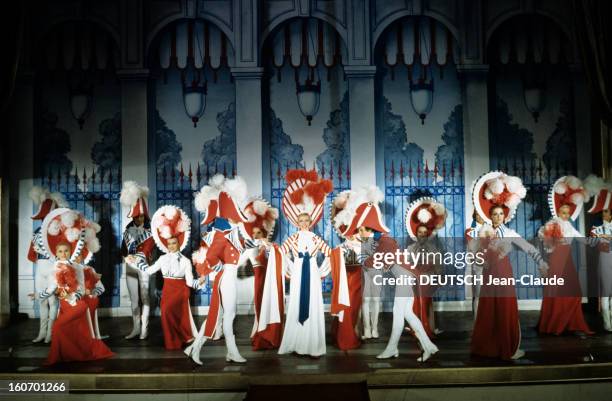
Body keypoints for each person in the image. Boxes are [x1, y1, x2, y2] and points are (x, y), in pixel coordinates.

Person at [470, 171, 548, 360]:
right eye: (494, 214)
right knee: (489, 311)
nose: (497, 217)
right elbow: (477, 256)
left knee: (505, 310)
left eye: (500, 214)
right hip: (489, 276)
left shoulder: (510, 232)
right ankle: (490, 346)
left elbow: (528, 247)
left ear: (505, 216)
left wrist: (541, 262)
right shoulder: (484, 232)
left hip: (504, 275)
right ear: (490, 216)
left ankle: (509, 348)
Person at [32, 207, 113, 365]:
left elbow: (82, 289)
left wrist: (75, 296)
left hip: (77, 305)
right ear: (56, 253)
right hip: (64, 305)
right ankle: (70, 356)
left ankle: (65, 356)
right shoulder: (54, 269)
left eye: (66, 251)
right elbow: (51, 289)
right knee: (70, 332)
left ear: (71, 252)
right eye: (60, 251)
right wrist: (38, 296)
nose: (63, 254)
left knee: (58, 329)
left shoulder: (79, 268)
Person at [186, 175, 252, 364]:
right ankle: (220, 351)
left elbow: (241, 244)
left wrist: (258, 241)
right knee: (225, 315)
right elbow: (210, 257)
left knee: (223, 315)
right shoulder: (220, 234)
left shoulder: (229, 232)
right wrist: (219, 269)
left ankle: (199, 348)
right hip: (225, 278)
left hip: (227, 278)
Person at [277, 169, 335, 357]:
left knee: (313, 304)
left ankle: (312, 343)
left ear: (310, 221)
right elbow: (280, 253)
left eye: (306, 220)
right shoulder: (292, 238)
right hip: (298, 274)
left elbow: (330, 254)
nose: (303, 223)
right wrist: (290, 267)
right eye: (300, 220)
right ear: (296, 222)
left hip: (312, 274)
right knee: (296, 303)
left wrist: (320, 269)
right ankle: (297, 340)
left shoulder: (316, 239)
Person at [127, 205, 200, 350]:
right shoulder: (162, 259)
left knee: (176, 315)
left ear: (179, 243)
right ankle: (172, 343)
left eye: (174, 243)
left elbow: (191, 282)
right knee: (166, 313)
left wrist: (201, 282)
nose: (171, 246)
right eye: (169, 244)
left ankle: (182, 337)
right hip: (168, 291)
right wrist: (134, 262)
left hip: (181, 291)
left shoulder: (186, 261)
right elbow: (148, 271)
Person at [537, 176, 594, 336]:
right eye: (563, 212)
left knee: (573, 291)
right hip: (556, 259)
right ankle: (554, 323)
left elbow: (581, 238)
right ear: (558, 212)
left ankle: (568, 321)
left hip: (567, 259)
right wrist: (553, 240)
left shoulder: (569, 225)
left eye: (567, 213)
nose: (566, 215)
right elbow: (543, 237)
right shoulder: (551, 224)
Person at [238, 198, 282, 350]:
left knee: (271, 307)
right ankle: (259, 333)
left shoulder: (271, 246)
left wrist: (267, 246)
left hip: (271, 282)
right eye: (254, 233)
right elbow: (237, 263)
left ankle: (271, 335)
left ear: (264, 231)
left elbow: (279, 258)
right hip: (259, 282)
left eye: (259, 232)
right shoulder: (250, 247)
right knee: (259, 307)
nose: (256, 235)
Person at [27, 186, 67, 343]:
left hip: (52, 268)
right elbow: (32, 254)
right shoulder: (37, 232)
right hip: (40, 268)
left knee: (52, 301)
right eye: (43, 216)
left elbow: (63, 253)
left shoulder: (59, 231)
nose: (45, 219)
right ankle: (42, 333)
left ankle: (52, 332)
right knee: (42, 301)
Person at [404, 197, 447, 338]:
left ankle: (427, 327)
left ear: (427, 234)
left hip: (428, 280)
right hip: (415, 280)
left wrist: (439, 277)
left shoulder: (433, 248)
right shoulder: (410, 248)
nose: (422, 235)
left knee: (426, 302)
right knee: (415, 302)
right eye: (419, 233)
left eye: (424, 233)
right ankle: (417, 327)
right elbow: (406, 265)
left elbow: (438, 265)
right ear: (416, 234)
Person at [120, 181, 156, 340]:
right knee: (134, 299)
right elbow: (122, 250)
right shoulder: (128, 229)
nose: (139, 218)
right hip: (129, 267)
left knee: (145, 297)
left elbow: (154, 249)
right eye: (137, 215)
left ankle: (145, 329)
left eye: (141, 215)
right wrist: (125, 256)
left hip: (143, 266)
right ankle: (135, 328)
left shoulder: (152, 229)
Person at [585, 174, 612, 332]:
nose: (604, 214)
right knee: (605, 292)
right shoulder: (596, 228)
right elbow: (591, 242)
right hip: (604, 259)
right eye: (603, 212)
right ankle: (606, 323)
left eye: (607, 212)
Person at [466, 210, 484, 317]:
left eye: (482, 214)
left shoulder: (493, 230)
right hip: (478, 266)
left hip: (492, 267)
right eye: (477, 214)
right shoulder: (470, 231)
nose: (480, 217)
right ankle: (477, 321)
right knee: (478, 295)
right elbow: (472, 249)